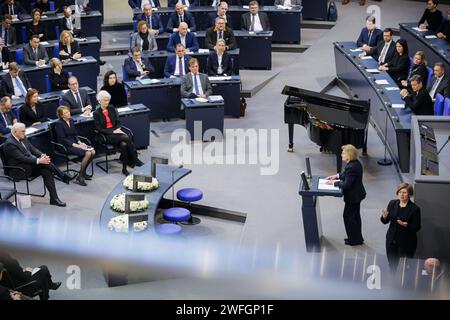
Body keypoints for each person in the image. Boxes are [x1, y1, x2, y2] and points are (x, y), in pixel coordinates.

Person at [3, 123, 70, 206]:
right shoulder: (9, 144)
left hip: (29, 164)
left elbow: (32, 149)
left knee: (46, 170)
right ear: (15, 132)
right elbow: (22, 158)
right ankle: (62, 175)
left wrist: (42, 155)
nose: (25, 133)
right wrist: (39, 160)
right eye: (22, 131)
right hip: (19, 169)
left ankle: (54, 198)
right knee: (44, 165)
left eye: (25, 131)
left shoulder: (22, 137)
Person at [93, 90, 143, 176]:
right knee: (126, 137)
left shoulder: (112, 108)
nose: (107, 102)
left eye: (108, 100)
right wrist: (113, 131)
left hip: (117, 132)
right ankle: (134, 159)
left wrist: (118, 129)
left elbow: (118, 122)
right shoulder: (96, 113)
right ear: (99, 101)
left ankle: (124, 169)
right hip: (106, 135)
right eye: (105, 100)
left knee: (124, 144)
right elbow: (99, 129)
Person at [326, 144, 366, 246]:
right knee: (355, 217)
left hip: (353, 197)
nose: (341, 154)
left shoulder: (351, 167)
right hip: (357, 195)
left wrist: (334, 183)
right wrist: (336, 176)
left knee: (349, 217)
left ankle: (354, 240)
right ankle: (357, 238)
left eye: (343, 153)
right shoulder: (353, 163)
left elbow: (346, 185)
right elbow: (345, 175)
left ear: (349, 155)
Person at [381, 183, 421, 272]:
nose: (401, 195)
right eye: (400, 192)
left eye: (404, 192)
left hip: (406, 243)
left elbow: (417, 227)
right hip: (391, 240)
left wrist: (406, 225)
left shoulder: (414, 209)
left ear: (409, 194)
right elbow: (385, 221)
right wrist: (384, 216)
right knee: (392, 264)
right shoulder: (392, 203)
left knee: (404, 268)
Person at [54, 105, 95, 186]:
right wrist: (76, 145)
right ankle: (81, 176)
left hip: (74, 143)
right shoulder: (59, 124)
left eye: (68, 111)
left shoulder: (71, 120)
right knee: (88, 153)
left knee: (93, 151)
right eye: (65, 113)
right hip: (65, 146)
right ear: (61, 115)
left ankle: (82, 173)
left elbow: (75, 134)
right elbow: (62, 139)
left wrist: (80, 142)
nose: (68, 113)